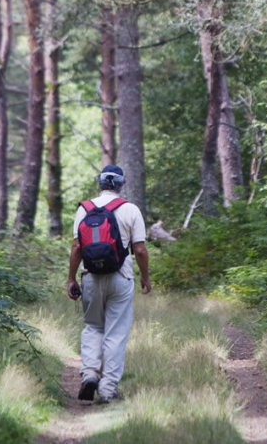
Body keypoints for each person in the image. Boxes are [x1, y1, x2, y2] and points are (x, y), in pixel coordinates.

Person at [66, 165, 151, 404]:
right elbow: (140, 250)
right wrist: (145, 277)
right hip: (120, 278)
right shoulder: (130, 209)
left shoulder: (84, 209)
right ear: (121, 184)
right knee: (115, 333)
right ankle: (107, 389)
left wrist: (71, 278)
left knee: (93, 327)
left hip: (90, 277)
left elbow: (76, 248)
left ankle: (90, 374)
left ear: (100, 183)